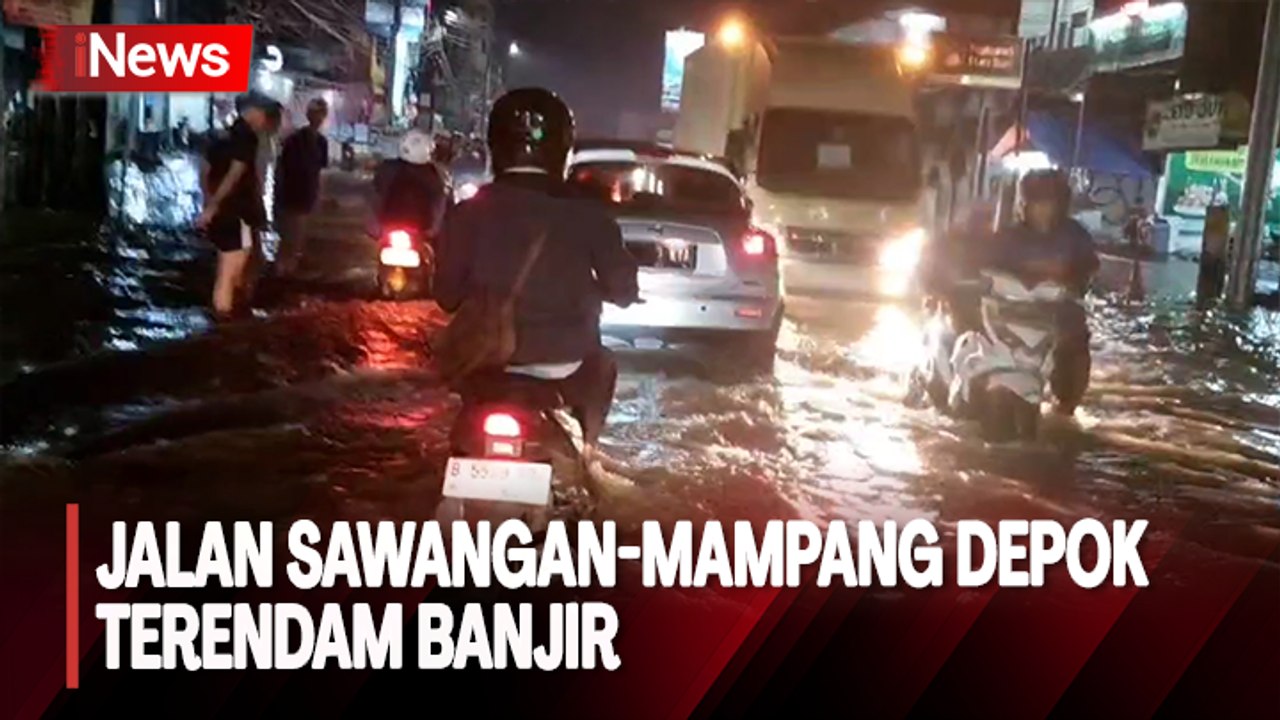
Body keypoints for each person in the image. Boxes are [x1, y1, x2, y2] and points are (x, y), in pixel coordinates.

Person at [433, 87, 640, 454]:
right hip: (565, 363)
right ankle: (590, 456)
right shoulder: (590, 215)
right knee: (603, 364)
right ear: (562, 150)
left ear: (495, 147)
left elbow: (446, 296)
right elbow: (622, 292)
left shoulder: (466, 213)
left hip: (483, 359)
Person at [986, 169, 1099, 415]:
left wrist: (1074, 281)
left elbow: (1089, 267)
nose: (1043, 210)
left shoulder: (1076, 236)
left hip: (1061, 315)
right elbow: (986, 268)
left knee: (1075, 350)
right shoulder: (1007, 237)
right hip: (1013, 314)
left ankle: (1067, 403)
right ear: (1024, 204)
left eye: (1048, 203)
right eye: (1036, 203)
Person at [198, 92, 282, 319]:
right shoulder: (246, 137)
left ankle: (226, 312)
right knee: (229, 270)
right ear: (254, 112)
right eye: (265, 116)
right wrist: (213, 206)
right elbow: (236, 172)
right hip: (235, 210)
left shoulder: (222, 136)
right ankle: (223, 322)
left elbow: (205, 170)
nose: (266, 122)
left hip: (226, 210)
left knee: (233, 263)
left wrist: (209, 201)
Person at [273, 97, 329, 278]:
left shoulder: (320, 142)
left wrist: (318, 196)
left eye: (320, 114)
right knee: (290, 236)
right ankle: (282, 270)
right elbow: (280, 169)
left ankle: (286, 270)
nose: (318, 118)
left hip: (304, 195)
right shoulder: (294, 140)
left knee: (296, 237)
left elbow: (319, 172)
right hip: (290, 194)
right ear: (309, 115)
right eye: (315, 113)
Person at [372, 129, 449, 240]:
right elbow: (440, 204)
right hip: (410, 231)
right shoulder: (434, 174)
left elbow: (374, 197)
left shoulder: (388, 168)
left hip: (406, 231)